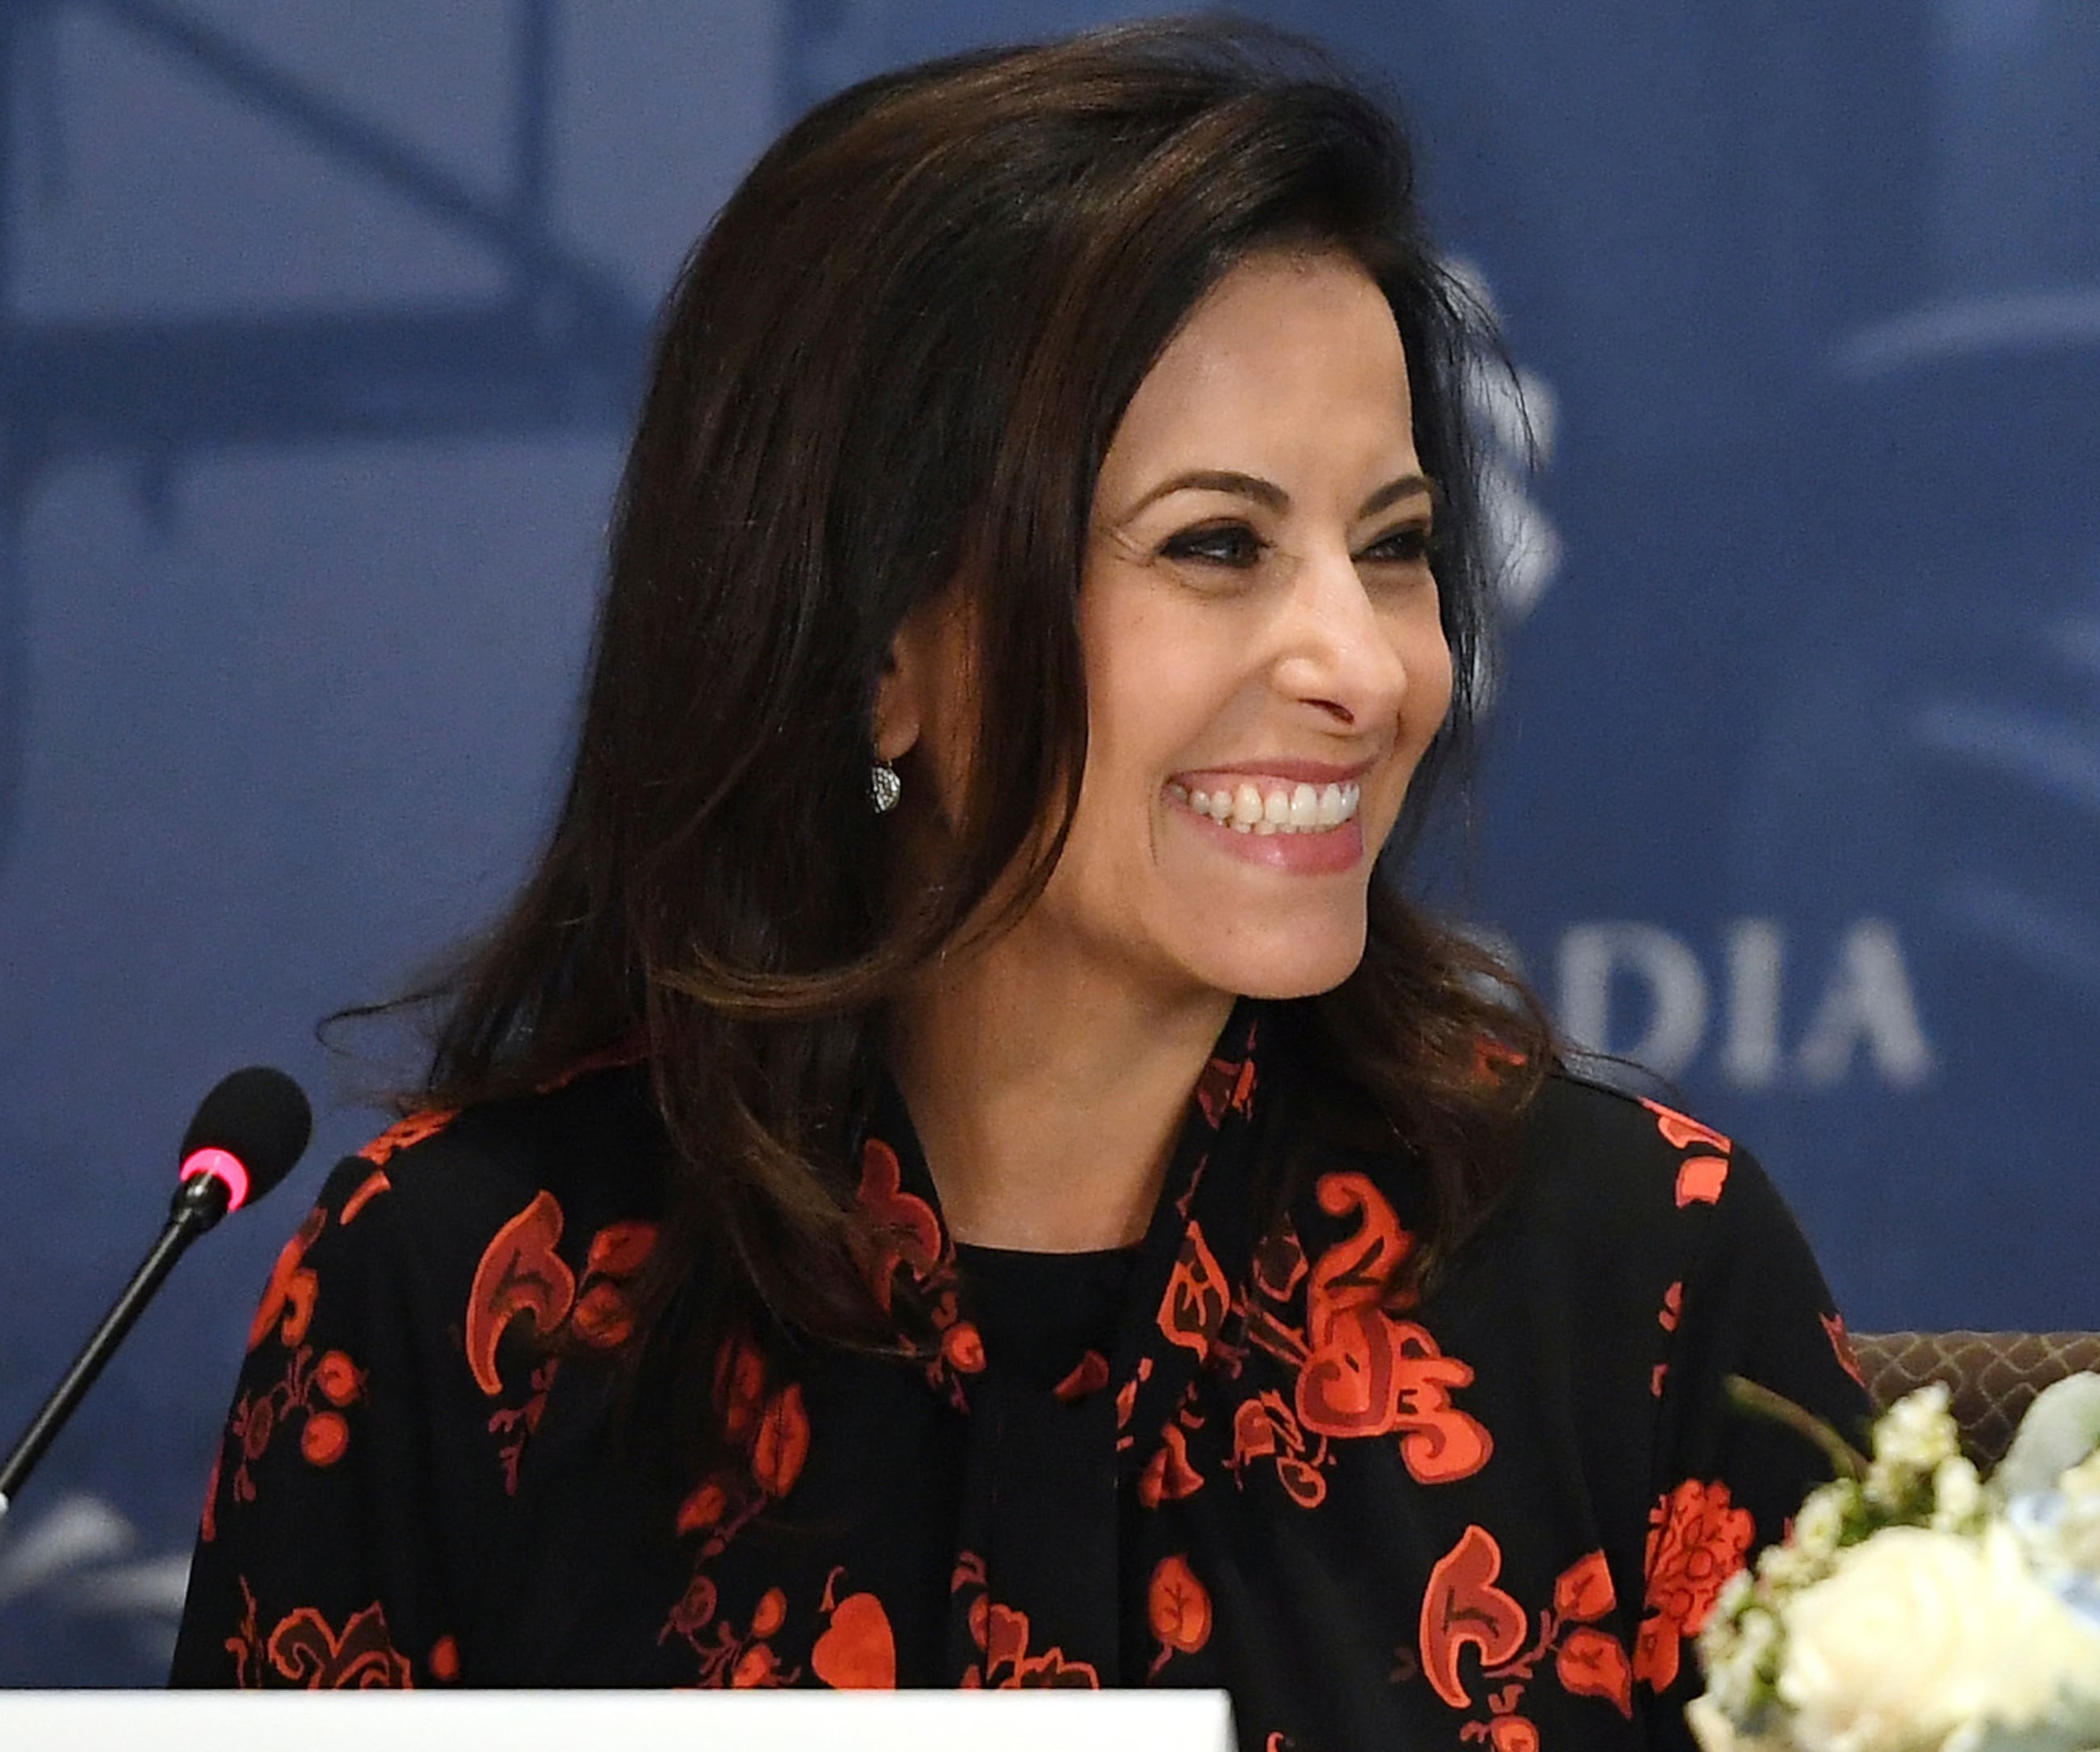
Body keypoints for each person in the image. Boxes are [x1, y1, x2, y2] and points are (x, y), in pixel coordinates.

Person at [173, 22, 1872, 1746]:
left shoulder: (1641, 1273)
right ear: (875, 648)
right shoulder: (475, 1297)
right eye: (1218, 546)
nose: (1365, 669)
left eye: (1396, 546)